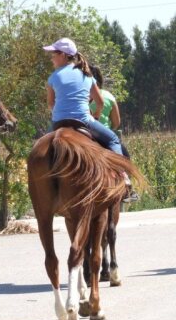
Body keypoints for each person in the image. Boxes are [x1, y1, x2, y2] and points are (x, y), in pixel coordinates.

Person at [43, 37, 124, 156]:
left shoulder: (53, 77)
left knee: (40, 146)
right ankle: (122, 173)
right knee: (113, 140)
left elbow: (50, 104)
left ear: (63, 55)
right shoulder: (87, 76)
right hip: (84, 121)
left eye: (53, 54)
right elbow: (100, 103)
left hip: (58, 122)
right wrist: (96, 115)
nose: (51, 59)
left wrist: (61, 113)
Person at [88, 64, 138, 202]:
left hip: (80, 128)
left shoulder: (80, 92)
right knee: (125, 157)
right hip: (101, 133)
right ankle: (127, 186)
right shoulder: (108, 96)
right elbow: (116, 123)